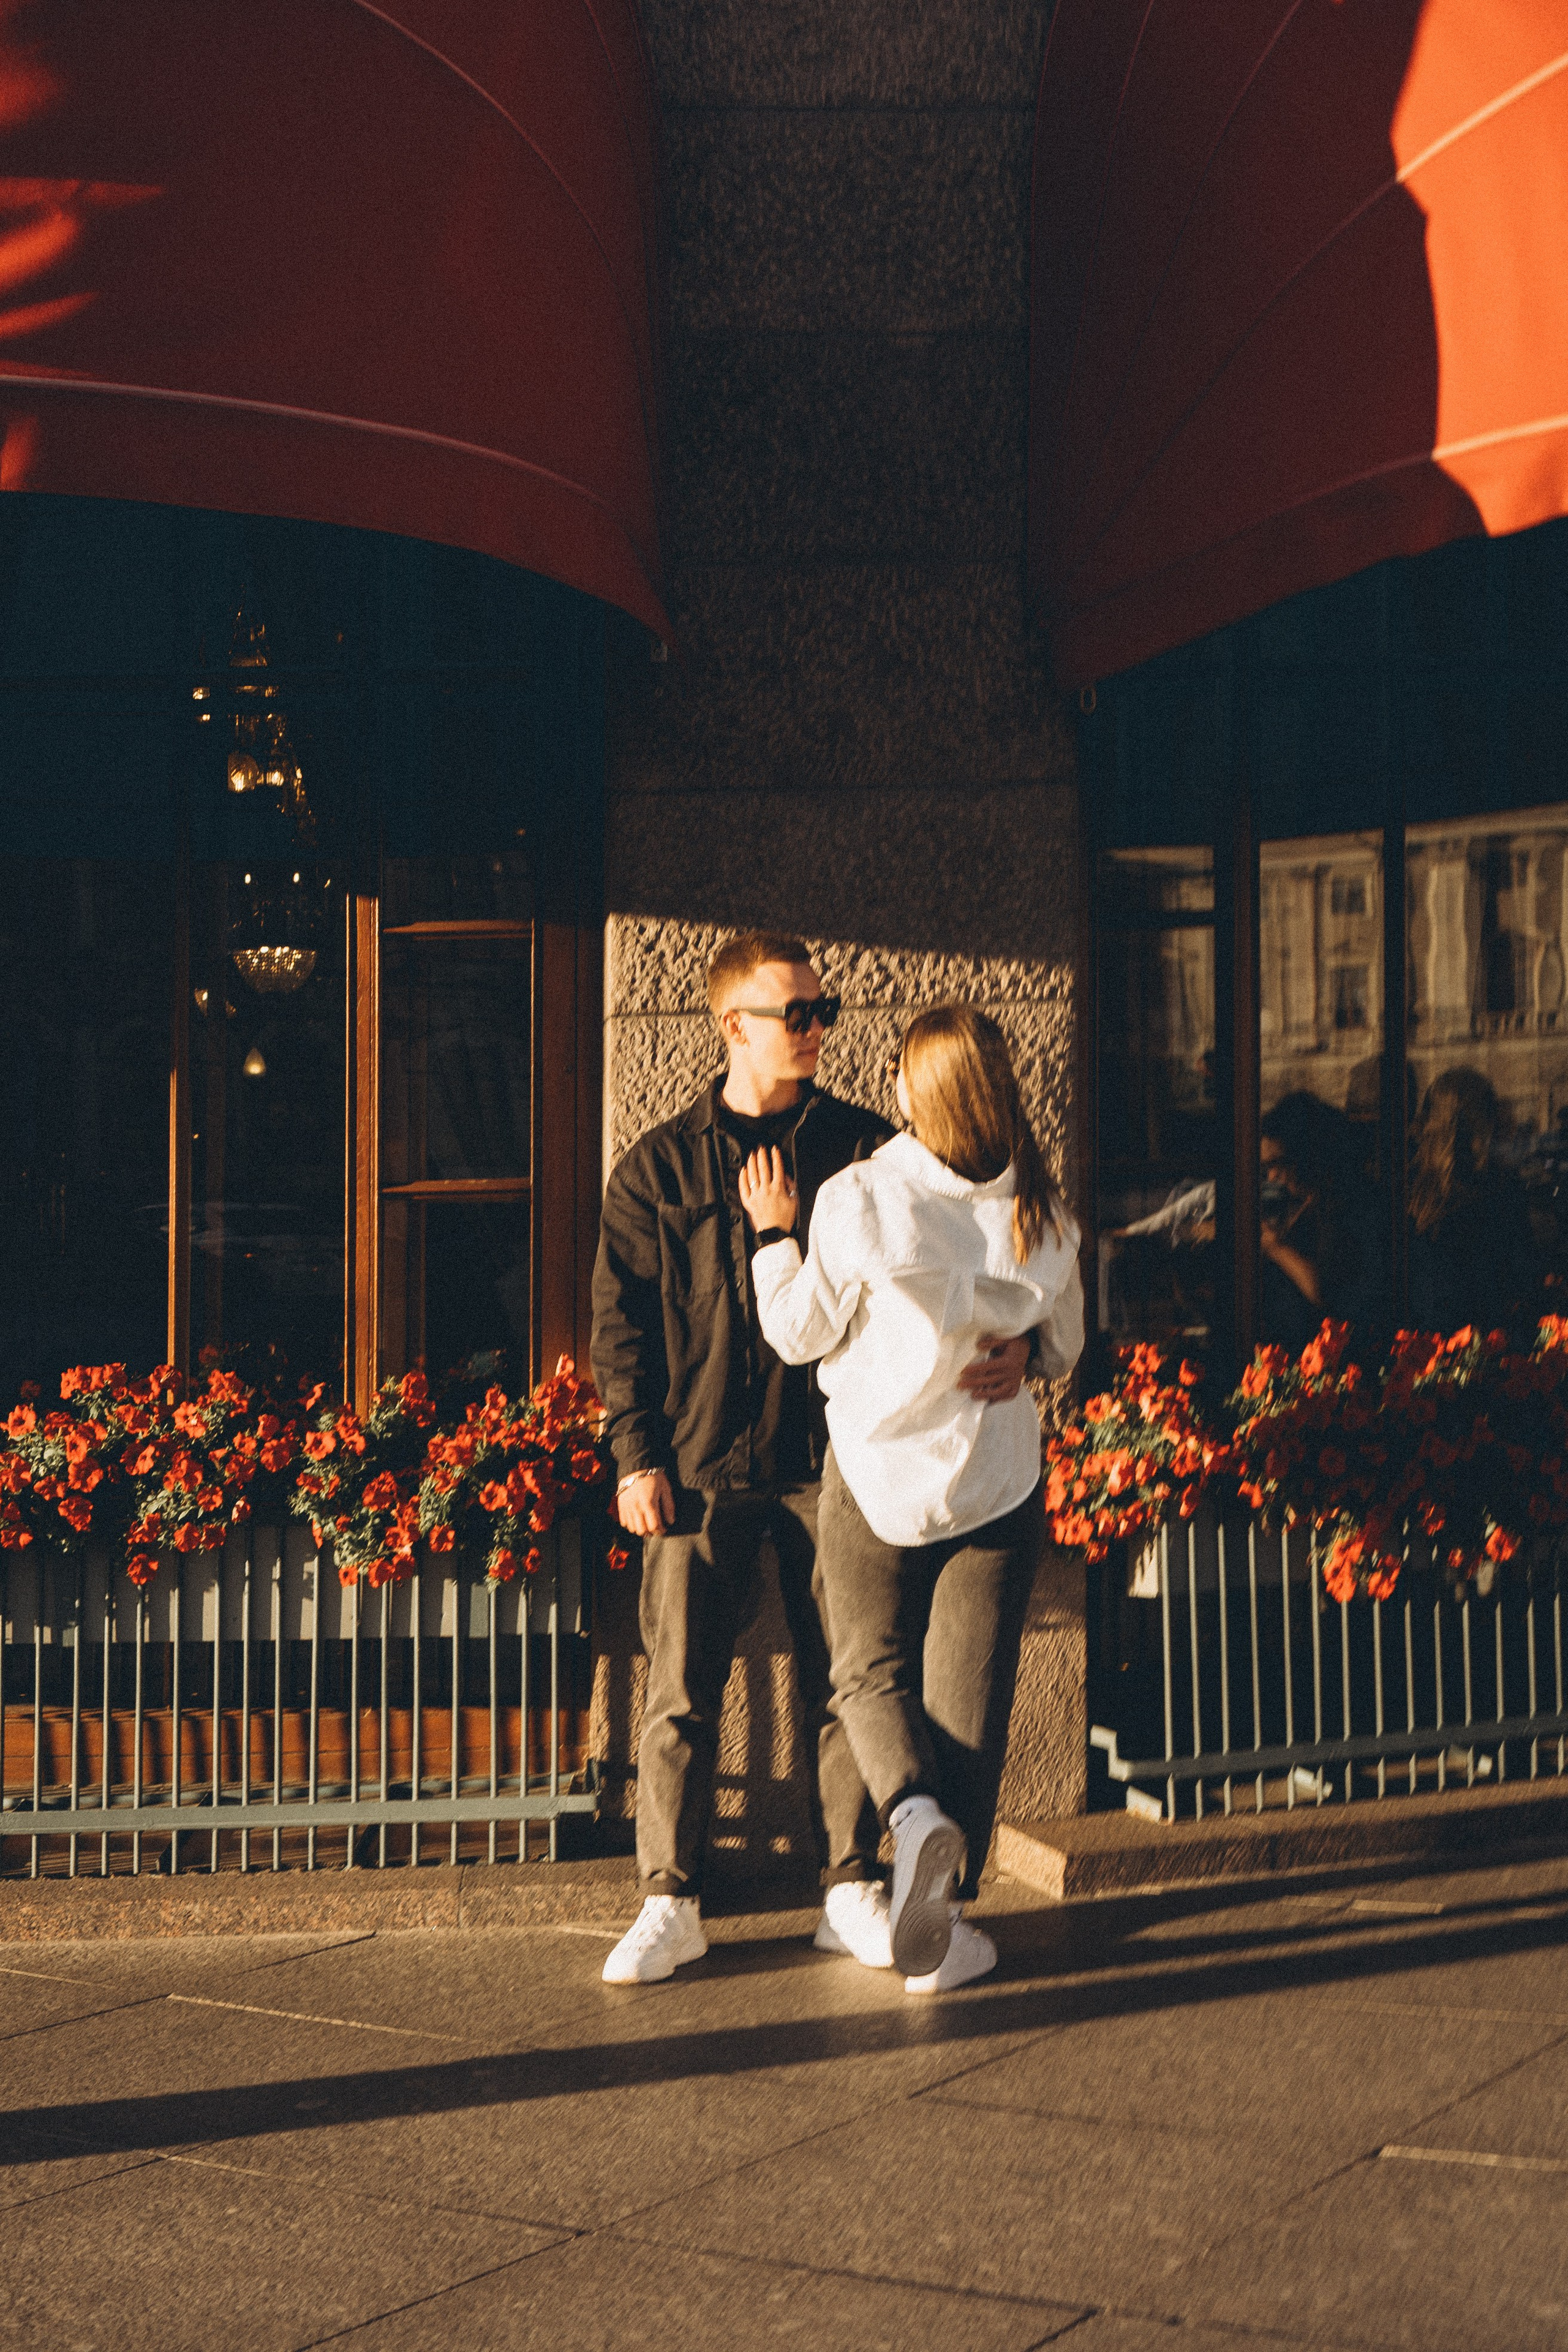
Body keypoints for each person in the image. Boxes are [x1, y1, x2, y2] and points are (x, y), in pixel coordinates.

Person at [592, 935, 1035, 1985]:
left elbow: (983, 1248)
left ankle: (849, 1885)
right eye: (796, 1013)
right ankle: (671, 1899)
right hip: (701, 1465)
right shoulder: (657, 1166)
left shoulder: (873, 1152)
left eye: (823, 1010)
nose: (819, 1028)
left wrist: (1026, 1338)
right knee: (680, 1692)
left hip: (842, 1464)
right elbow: (620, 1325)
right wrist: (634, 1455)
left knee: (851, 1682)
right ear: (732, 1026)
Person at [740, 1005, 1083, 1993]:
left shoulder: (863, 1198)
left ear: (912, 1091)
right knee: (970, 1701)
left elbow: (799, 1334)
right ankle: (948, 1932)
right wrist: (1020, 1350)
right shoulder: (1046, 1214)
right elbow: (1063, 1347)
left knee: (865, 1673)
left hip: (881, 1477)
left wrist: (773, 1236)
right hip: (997, 1482)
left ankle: (911, 1818)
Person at [1408, 1067, 1539, 1340]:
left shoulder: (1413, 1187)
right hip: (1488, 1346)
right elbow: (1525, 1277)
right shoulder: (1498, 1191)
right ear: (1484, 1122)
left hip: (1426, 1349)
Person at [1259, 1091, 1383, 1353]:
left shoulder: (1353, 1205)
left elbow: (1331, 1293)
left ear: (1305, 1155)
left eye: (1279, 1164)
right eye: (1266, 1168)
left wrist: (1276, 1248)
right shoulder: (1301, 1205)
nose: (1272, 1177)